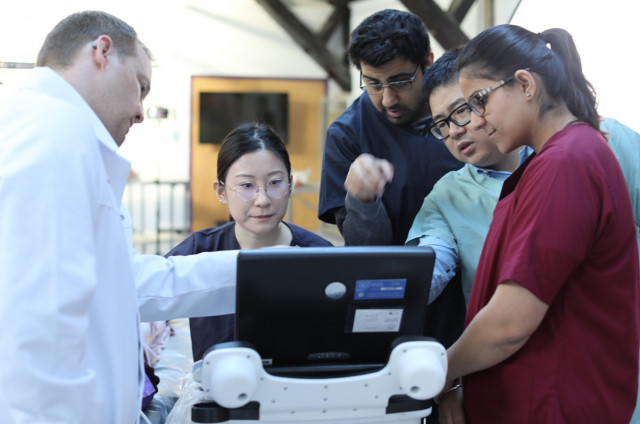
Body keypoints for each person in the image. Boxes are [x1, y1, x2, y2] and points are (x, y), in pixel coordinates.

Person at [0, 11, 238, 424]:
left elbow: (127, 283)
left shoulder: (59, 134)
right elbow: (39, 336)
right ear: (103, 52)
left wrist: (259, 269)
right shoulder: (52, 133)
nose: (141, 111)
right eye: (140, 87)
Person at [443, 24, 639, 423]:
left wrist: (441, 372)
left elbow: (510, 324)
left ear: (525, 85)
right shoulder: (564, 156)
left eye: (480, 100)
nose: (476, 121)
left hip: (554, 404)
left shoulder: (565, 163)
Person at [165, 123, 332, 362]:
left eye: (275, 182)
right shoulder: (198, 251)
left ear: (290, 184)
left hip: (297, 382)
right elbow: (139, 297)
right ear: (221, 191)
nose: (262, 200)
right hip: (218, 383)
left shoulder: (321, 255)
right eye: (246, 185)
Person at [318, 9, 462, 246]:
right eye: (373, 83)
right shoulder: (346, 135)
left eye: (400, 82)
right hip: (391, 269)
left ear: (427, 63)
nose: (388, 100)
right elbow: (363, 250)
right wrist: (363, 202)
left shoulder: (462, 114)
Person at [406, 47, 531, 306]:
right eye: (441, 124)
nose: (453, 131)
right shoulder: (448, 194)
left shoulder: (587, 145)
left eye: (461, 110)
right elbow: (430, 268)